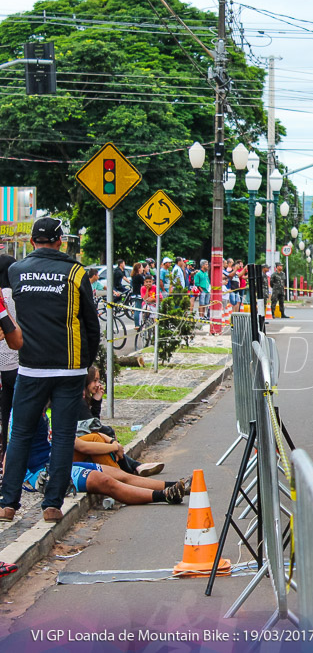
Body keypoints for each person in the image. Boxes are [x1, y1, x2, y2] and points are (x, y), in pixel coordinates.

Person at [0, 217, 98, 524]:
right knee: (64, 436)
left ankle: (7, 503)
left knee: (20, 435)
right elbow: (91, 324)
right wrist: (85, 365)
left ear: (31, 242)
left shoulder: (16, 271)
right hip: (68, 368)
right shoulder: (75, 272)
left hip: (30, 367)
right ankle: (52, 504)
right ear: (60, 241)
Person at [21, 412, 191, 506]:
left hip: (59, 462)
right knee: (105, 481)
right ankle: (164, 495)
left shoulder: (51, 407)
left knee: (119, 474)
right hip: (43, 472)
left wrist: (111, 442)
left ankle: (177, 486)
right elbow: (13, 447)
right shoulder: (26, 410)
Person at [0, 255, 18, 463]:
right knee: (12, 411)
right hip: (12, 361)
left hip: (5, 361)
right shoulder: (12, 295)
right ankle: (8, 454)